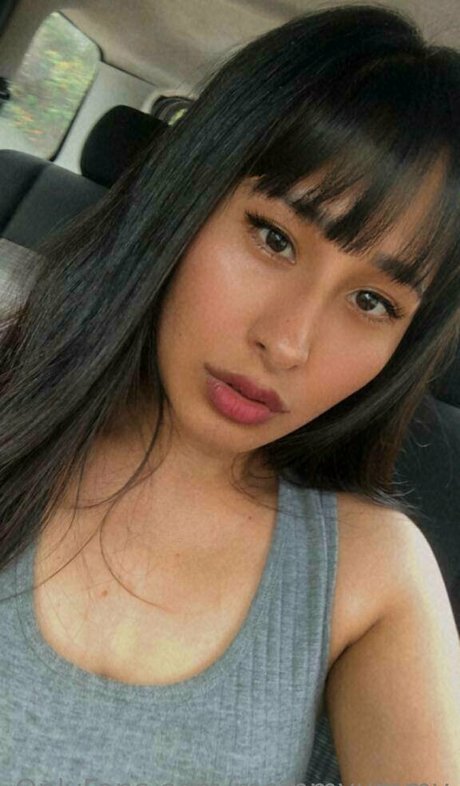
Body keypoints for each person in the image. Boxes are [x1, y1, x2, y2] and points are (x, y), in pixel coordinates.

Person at [0, 3, 459, 784]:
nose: (289, 342)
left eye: (373, 301)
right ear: (186, 198)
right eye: (273, 238)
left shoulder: (373, 574)